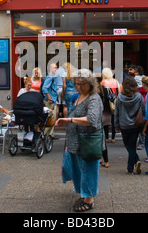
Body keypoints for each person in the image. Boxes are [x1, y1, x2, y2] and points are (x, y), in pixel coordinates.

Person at [56, 69, 103, 212]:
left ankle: (89, 200)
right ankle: (84, 194)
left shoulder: (94, 98)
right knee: (78, 170)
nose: (79, 87)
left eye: (82, 84)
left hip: (88, 141)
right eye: (77, 84)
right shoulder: (79, 96)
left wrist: (70, 119)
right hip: (75, 141)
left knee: (88, 170)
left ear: (90, 84)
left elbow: (92, 120)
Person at [114, 76, 145, 175]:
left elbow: (116, 112)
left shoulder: (119, 97)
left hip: (124, 125)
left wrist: (116, 125)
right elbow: (144, 110)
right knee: (132, 145)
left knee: (128, 146)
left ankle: (130, 167)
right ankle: (135, 161)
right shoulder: (139, 96)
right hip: (136, 124)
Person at [100, 67, 121, 144]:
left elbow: (102, 93)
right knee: (113, 120)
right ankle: (113, 138)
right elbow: (119, 92)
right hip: (114, 102)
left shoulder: (102, 82)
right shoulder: (116, 82)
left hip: (106, 103)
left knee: (106, 121)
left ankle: (106, 138)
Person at [42, 63, 59, 138]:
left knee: (52, 117)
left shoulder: (53, 77)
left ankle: (50, 134)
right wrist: (49, 98)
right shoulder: (50, 77)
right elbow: (44, 89)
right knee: (50, 118)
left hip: (52, 100)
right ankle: (46, 134)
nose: (56, 69)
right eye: (54, 68)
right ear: (50, 69)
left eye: (56, 67)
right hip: (50, 101)